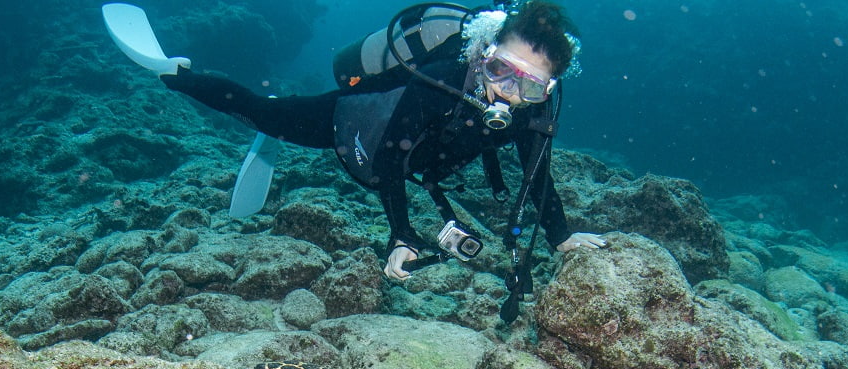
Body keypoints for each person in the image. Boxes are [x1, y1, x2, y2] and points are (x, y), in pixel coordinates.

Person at [158, 1, 605, 289]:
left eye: (528, 86)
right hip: (352, 118)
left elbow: (536, 176)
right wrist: (401, 235)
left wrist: (560, 236)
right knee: (261, 112)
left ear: (547, 91)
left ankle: (270, 110)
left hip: (424, 156)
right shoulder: (446, 80)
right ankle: (177, 74)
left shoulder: (535, 115)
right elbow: (391, 151)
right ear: (483, 55)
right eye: (501, 70)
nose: (509, 93)